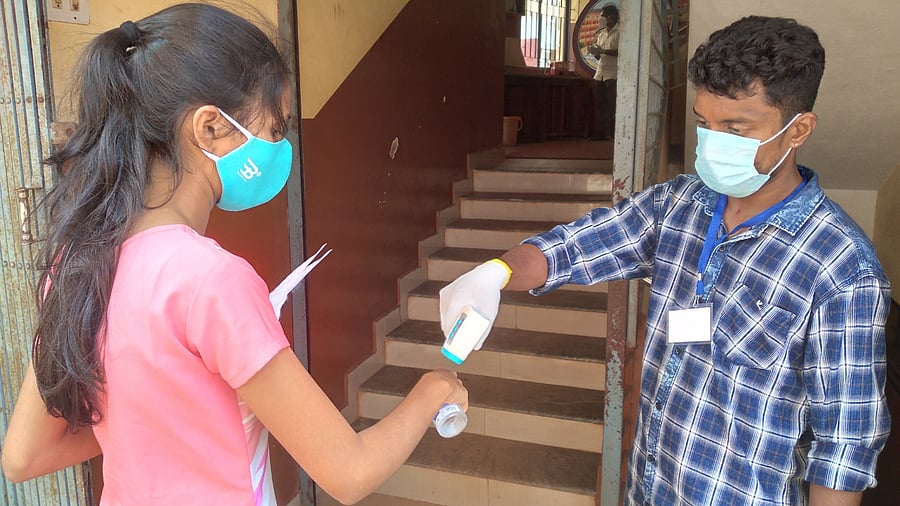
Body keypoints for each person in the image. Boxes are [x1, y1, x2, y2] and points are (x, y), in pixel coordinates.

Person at [0, 4, 467, 505]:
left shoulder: (76, 262)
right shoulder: (210, 280)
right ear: (210, 129)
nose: (279, 147)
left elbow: (24, 455)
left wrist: (161, 426)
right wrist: (433, 391)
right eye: (274, 129)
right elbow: (348, 472)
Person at [440, 15, 891, 505]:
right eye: (705, 124)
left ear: (798, 129)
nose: (714, 143)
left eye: (736, 129)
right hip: (648, 488)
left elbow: (845, 447)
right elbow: (577, 246)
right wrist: (497, 272)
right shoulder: (680, 205)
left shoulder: (840, 268)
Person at [589, 5, 619, 140]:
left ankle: (612, 134)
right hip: (600, 73)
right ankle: (602, 133)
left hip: (613, 75)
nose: (601, 20)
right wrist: (595, 52)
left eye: (603, 17)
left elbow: (621, 52)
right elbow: (600, 56)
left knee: (612, 105)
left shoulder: (620, 33)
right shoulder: (601, 34)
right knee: (600, 105)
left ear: (611, 18)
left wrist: (603, 51)